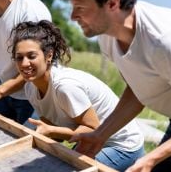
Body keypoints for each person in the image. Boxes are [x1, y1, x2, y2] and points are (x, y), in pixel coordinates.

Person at [54, 0, 171, 172]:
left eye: (80, 8)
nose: (73, 16)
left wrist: (151, 158)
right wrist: (100, 135)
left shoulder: (166, 41)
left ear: (112, 3)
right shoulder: (107, 36)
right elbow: (137, 90)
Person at [10, 20, 144, 171]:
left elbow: (92, 130)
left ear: (49, 56)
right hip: (90, 142)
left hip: (121, 145)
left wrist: (51, 132)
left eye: (31, 56)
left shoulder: (65, 86)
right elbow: (54, 132)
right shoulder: (30, 88)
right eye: (19, 57)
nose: (24, 63)